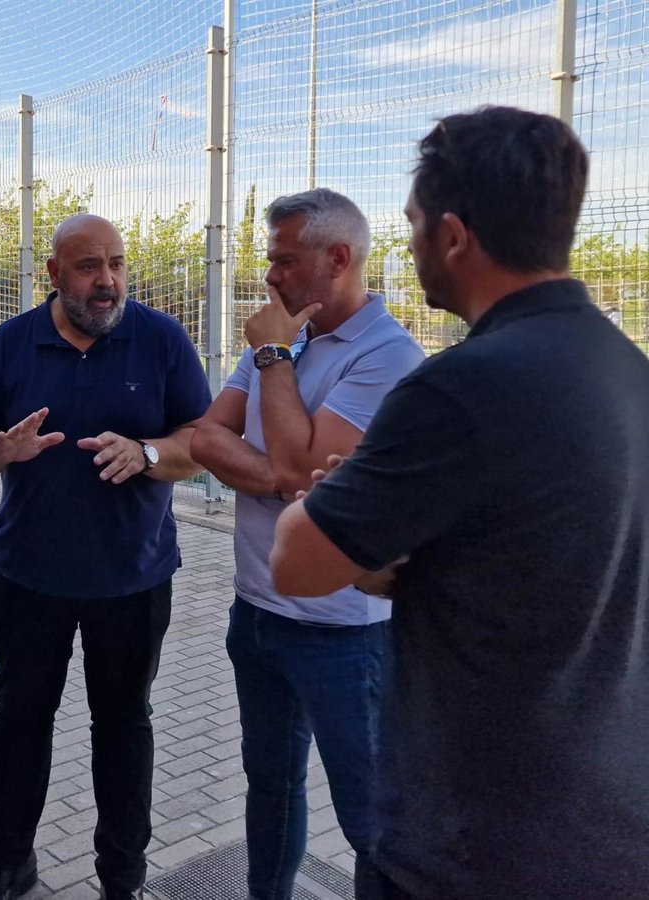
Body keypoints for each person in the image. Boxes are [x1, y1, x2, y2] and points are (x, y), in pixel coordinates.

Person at [272, 107, 649, 898]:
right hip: (606, 824)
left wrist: (339, 497)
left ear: (451, 236)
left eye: (412, 225)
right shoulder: (626, 369)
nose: (407, 246)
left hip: (474, 840)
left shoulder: (458, 386)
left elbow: (298, 564)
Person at [0, 213, 211, 900]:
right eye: (89, 266)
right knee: (20, 721)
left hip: (132, 579)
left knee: (124, 728)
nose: (107, 281)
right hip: (29, 577)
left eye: (117, 264)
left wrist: (148, 452)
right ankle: (8, 868)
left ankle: (121, 880)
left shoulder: (160, 338)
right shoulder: (13, 341)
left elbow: (201, 438)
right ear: (54, 273)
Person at [191, 189, 423, 899]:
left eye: (286, 260)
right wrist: (283, 482)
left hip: (345, 636)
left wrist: (270, 360)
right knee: (271, 787)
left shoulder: (387, 356)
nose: (270, 276)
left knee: (370, 821)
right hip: (256, 613)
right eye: (271, 260)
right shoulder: (284, 337)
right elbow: (207, 438)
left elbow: (301, 469)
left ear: (340, 258)